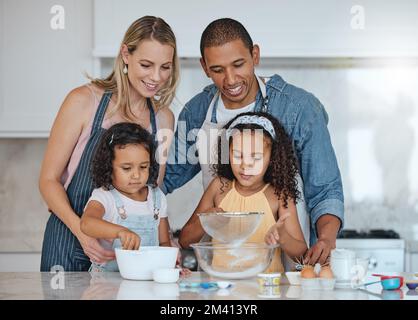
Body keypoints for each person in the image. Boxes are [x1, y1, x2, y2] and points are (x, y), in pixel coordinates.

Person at [162, 18, 344, 266]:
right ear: (204, 67)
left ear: (255, 55)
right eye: (217, 70)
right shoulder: (197, 112)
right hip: (222, 266)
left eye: (238, 64)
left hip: (289, 267)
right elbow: (162, 179)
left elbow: (325, 189)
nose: (230, 80)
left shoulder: (299, 108)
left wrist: (326, 239)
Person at [40, 16, 179, 271]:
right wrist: (82, 233)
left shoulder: (164, 119)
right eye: (146, 65)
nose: (156, 77)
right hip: (68, 240)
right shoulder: (83, 101)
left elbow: (152, 191)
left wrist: (166, 246)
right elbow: (48, 180)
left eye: (165, 67)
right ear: (125, 54)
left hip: (126, 254)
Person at [179, 112, 308, 272]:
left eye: (256, 157)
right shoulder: (219, 187)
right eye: (238, 155)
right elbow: (184, 240)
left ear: (272, 158)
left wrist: (284, 237)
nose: (246, 165)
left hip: (266, 290)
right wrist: (207, 222)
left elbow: (302, 255)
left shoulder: (279, 195)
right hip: (223, 289)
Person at [80, 123, 170, 272]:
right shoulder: (105, 196)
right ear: (109, 166)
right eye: (127, 168)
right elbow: (86, 224)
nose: (136, 175)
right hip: (106, 285)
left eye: (143, 167)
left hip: (146, 281)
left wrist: (172, 266)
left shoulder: (157, 198)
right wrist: (120, 231)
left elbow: (164, 243)